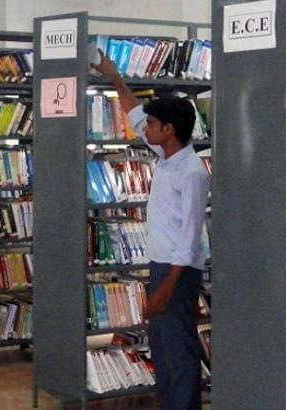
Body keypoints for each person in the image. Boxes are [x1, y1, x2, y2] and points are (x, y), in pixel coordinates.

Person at [92, 50, 210, 409]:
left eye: (154, 125)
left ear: (169, 130)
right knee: (163, 346)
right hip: (162, 267)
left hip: (178, 272)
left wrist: (163, 290)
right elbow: (135, 113)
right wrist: (113, 76)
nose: (147, 129)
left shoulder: (191, 173)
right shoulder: (166, 156)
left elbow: (189, 239)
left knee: (178, 347)